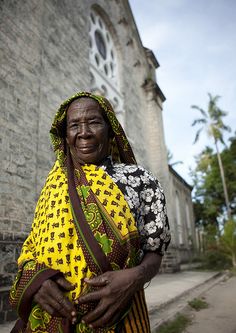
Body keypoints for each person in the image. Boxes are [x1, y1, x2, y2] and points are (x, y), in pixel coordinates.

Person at [9, 91, 171, 333]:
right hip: (48, 319)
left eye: (94, 122)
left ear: (110, 129)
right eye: (74, 125)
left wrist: (136, 278)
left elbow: (154, 251)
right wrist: (37, 281)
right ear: (65, 135)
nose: (84, 132)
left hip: (119, 319)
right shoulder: (54, 186)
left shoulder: (141, 181)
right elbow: (33, 247)